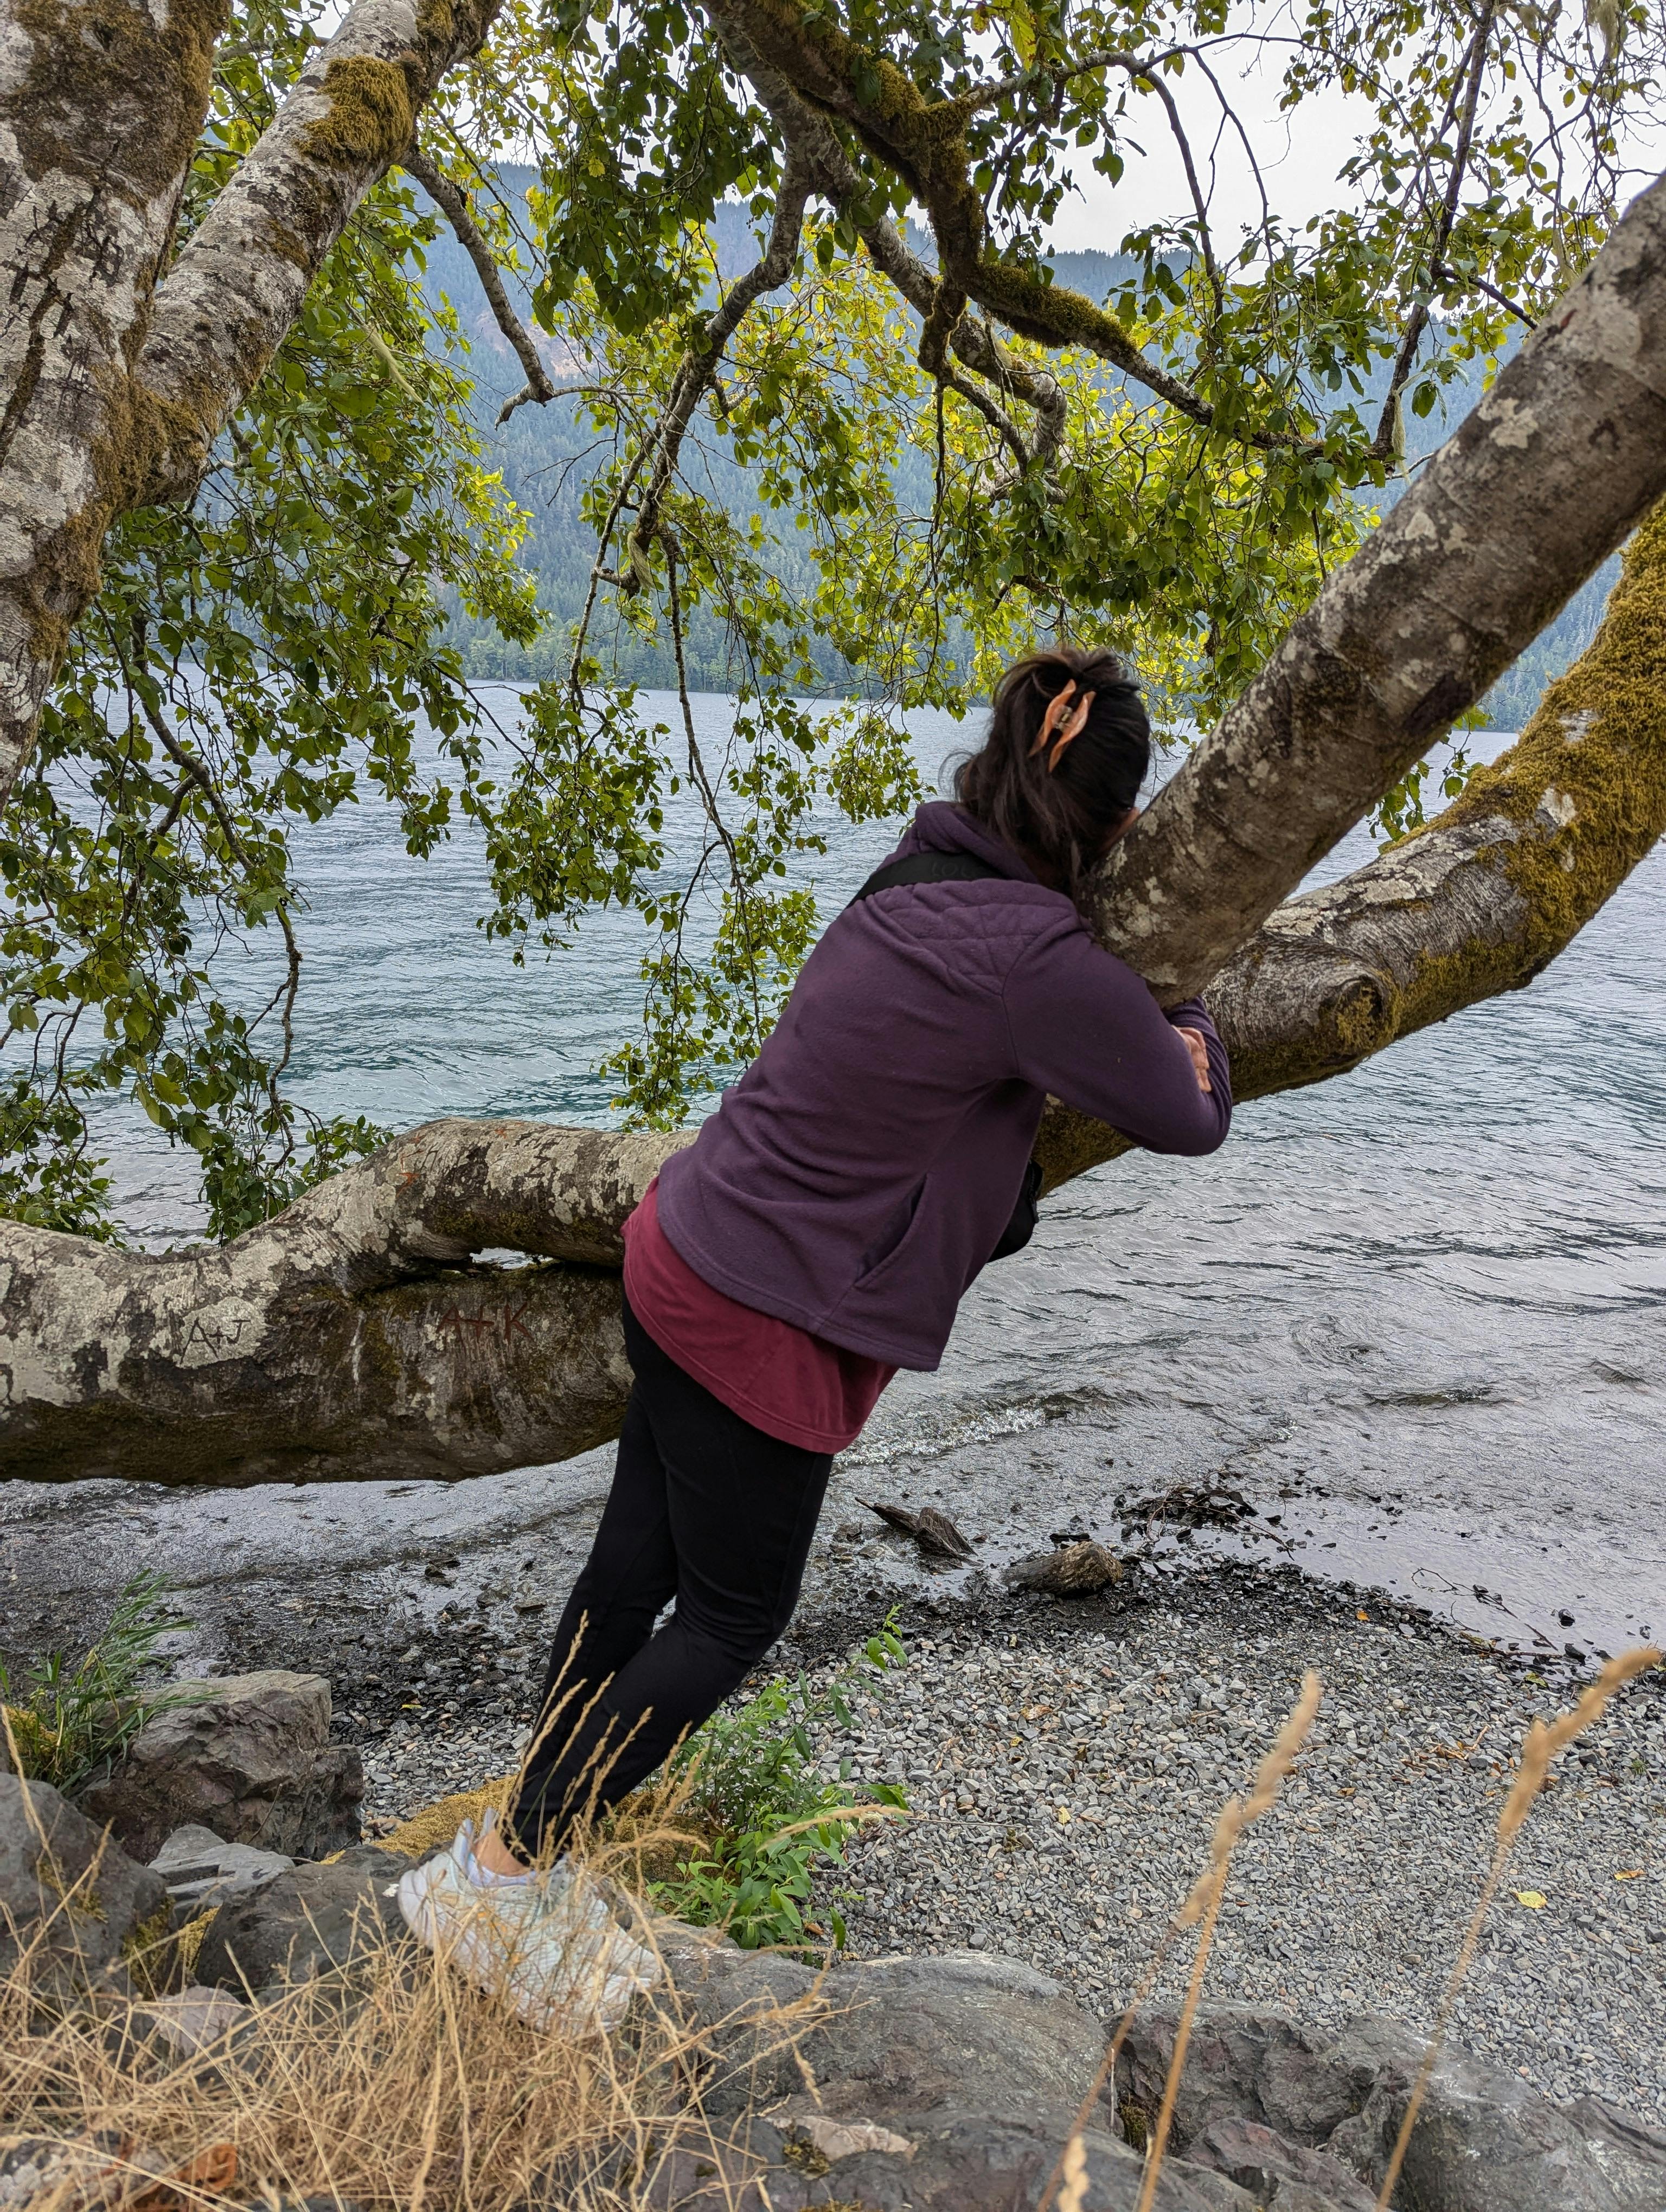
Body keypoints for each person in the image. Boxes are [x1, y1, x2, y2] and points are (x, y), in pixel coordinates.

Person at [397, 646, 1232, 2025]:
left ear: (1002, 760)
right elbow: (1188, 1113)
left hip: (678, 1245)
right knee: (733, 1614)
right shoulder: (1044, 958)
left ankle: (517, 1860)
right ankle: (500, 1872)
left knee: (630, 1571)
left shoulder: (916, 872)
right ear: (1122, 825)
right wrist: (1184, 991)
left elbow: (917, 1092)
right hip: (758, 1317)